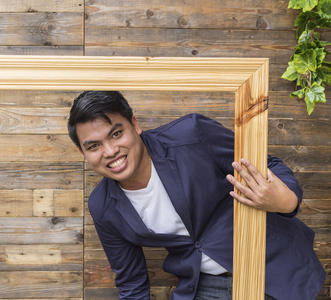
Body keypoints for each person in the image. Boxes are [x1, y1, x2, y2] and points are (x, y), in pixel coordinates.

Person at [67, 91, 325, 300]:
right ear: (83, 153)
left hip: (272, 267)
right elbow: (132, 282)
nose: (110, 151)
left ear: (135, 125)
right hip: (202, 286)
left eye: (116, 133)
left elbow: (270, 166)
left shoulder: (191, 134)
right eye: (94, 146)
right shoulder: (102, 206)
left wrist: (287, 201)